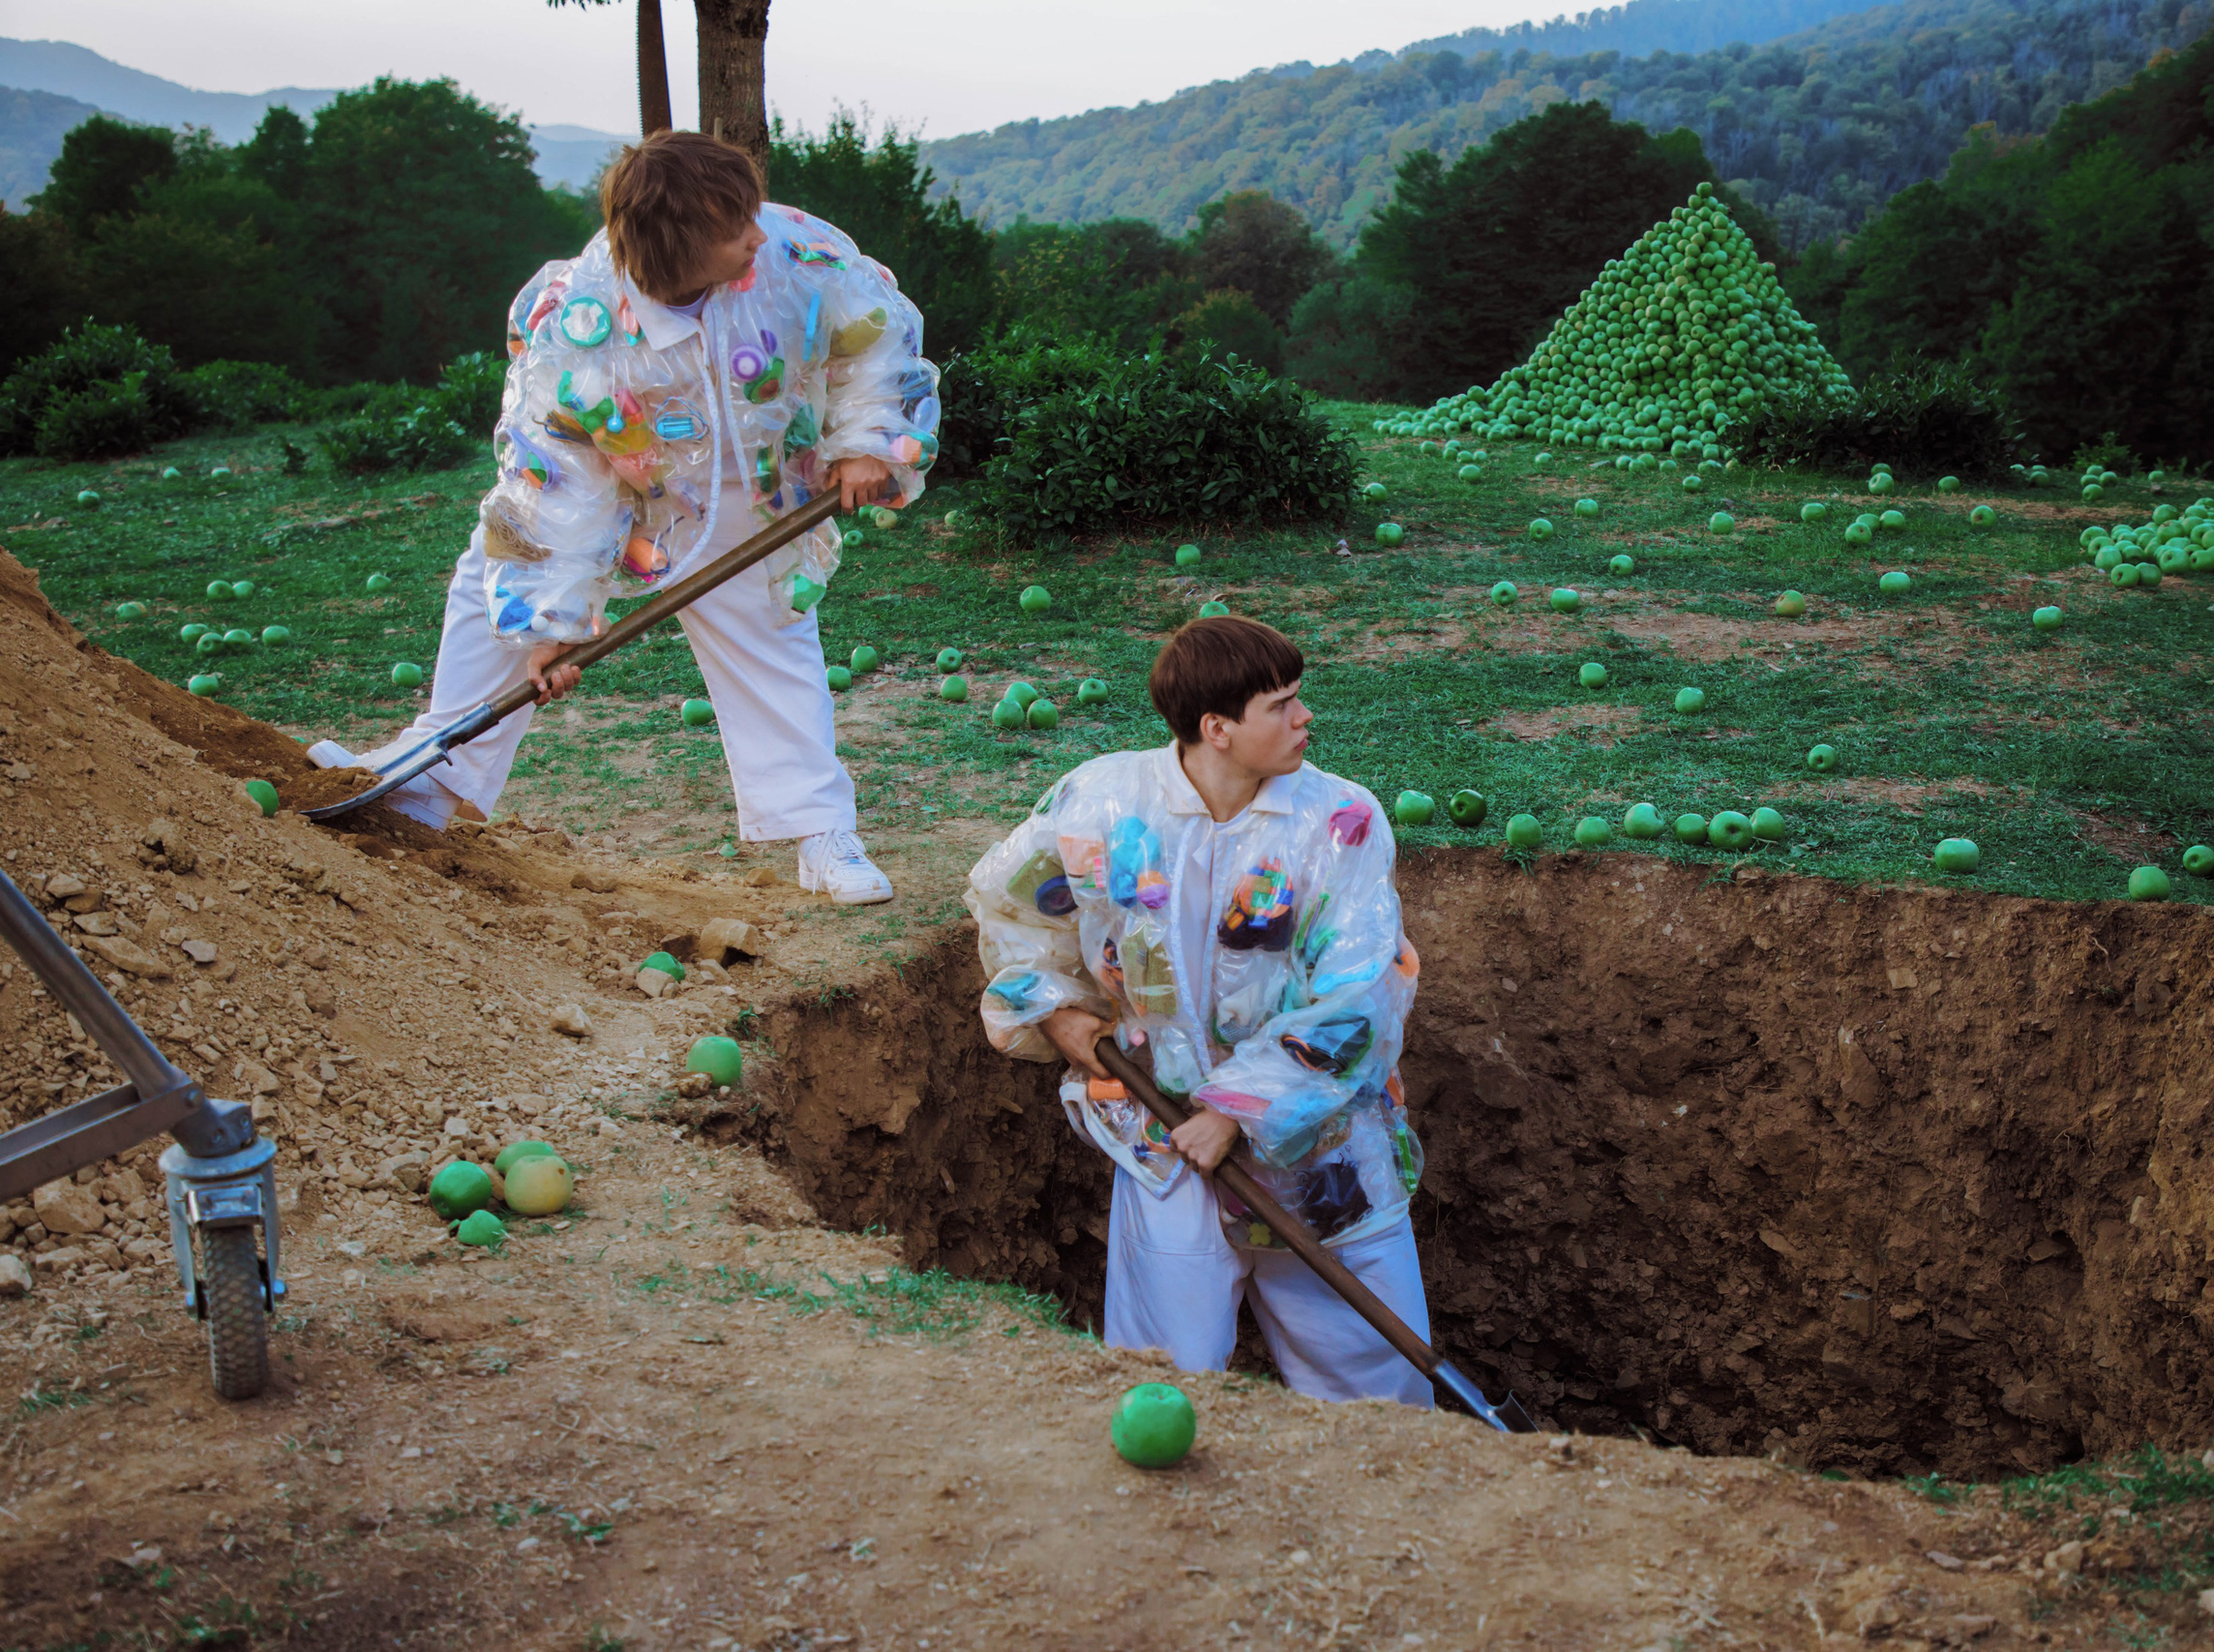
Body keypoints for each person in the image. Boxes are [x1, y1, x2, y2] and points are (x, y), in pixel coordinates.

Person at [312, 130, 939, 904]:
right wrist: (555, 618)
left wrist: (866, 440)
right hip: (617, 479)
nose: (756, 233)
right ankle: (432, 780)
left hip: (748, 473)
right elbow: (557, 480)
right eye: (734, 228)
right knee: (493, 583)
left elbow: (872, 334)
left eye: (750, 213)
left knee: (772, 638)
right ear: (678, 254)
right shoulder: (582, 328)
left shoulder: (791, 251)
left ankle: (821, 832)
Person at [965, 616, 1433, 1405]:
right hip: (1162, 1139)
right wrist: (1056, 1010)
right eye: (1281, 705)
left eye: (1298, 698)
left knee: (1374, 1389)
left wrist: (1236, 1111)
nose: (1304, 716)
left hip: (1321, 1155)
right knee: (1162, 1380)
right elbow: (1014, 912)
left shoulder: (1340, 824)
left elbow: (1361, 996)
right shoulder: (1101, 806)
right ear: (1217, 729)